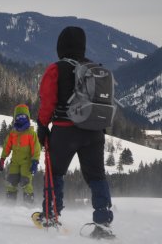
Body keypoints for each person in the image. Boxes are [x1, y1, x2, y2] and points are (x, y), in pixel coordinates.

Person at [35, 26, 115, 239]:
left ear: (60, 46)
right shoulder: (92, 69)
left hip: (65, 131)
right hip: (94, 132)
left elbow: (47, 103)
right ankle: (104, 223)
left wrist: (42, 128)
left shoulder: (56, 69)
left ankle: (51, 216)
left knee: (55, 173)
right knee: (97, 177)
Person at [0, 104, 40, 204]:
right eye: (18, 117)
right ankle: (10, 202)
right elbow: (7, 147)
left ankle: (28, 203)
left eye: (23, 117)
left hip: (27, 162)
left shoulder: (31, 133)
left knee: (25, 182)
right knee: (12, 181)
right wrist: (2, 159)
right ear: (15, 118)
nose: (21, 119)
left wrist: (35, 161)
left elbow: (36, 148)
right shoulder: (13, 134)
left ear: (28, 118)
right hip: (15, 162)